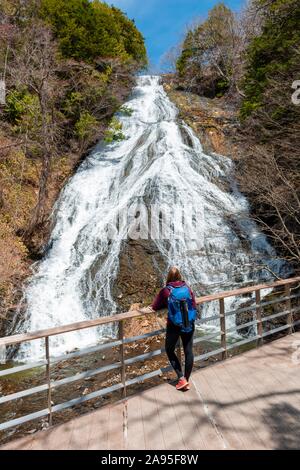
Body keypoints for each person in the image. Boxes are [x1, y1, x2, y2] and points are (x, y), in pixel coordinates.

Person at [151, 267, 197, 391]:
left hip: (174, 325)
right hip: (189, 323)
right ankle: (186, 379)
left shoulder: (166, 291)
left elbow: (155, 306)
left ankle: (181, 378)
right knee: (188, 351)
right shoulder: (187, 288)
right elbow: (193, 303)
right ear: (180, 276)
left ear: (168, 277)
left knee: (169, 350)